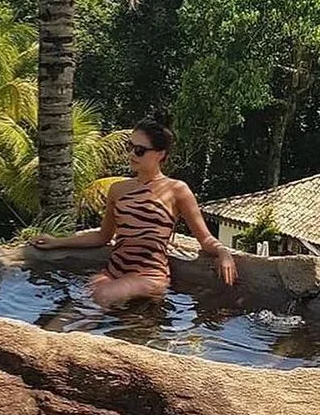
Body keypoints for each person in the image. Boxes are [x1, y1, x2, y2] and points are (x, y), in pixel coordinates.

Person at [32, 114, 238, 308]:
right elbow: (103, 237)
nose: (131, 154)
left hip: (149, 277)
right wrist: (56, 242)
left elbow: (204, 238)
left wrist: (223, 252)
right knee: (79, 303)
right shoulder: (118, 189)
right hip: (114, 273)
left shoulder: (177, 190)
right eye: (130, 147)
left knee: (101, 297)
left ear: (160, 154)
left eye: (139, 150)